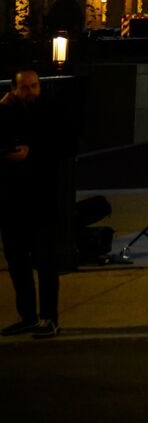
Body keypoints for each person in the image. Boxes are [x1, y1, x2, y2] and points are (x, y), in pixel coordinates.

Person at [1, 69, 61, 338]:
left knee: (45, 261)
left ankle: (49, 317)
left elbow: (60, 144)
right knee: (17, 261)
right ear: (14, 89)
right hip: (12, 201)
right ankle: (28, 316)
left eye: (34, 86)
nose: (31, 92)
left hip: (40, 200)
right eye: (25, 87)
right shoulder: (7, 112)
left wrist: (31, 151)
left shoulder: (48, 111)